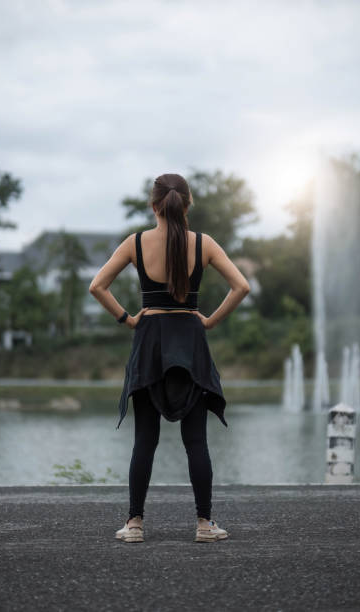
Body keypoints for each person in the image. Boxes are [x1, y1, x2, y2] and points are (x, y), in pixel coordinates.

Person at [89, 173, 250, 543]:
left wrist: (128, 319)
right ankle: (205, 524)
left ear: (153, 204)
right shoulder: (203, 244)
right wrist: (208, 320)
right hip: (190, 344)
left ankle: (134, 525)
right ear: (187, 204)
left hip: (150, 344)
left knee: (144, 440)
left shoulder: (136, 243)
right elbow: (241, 286)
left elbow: (97, 286)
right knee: (196, 441)